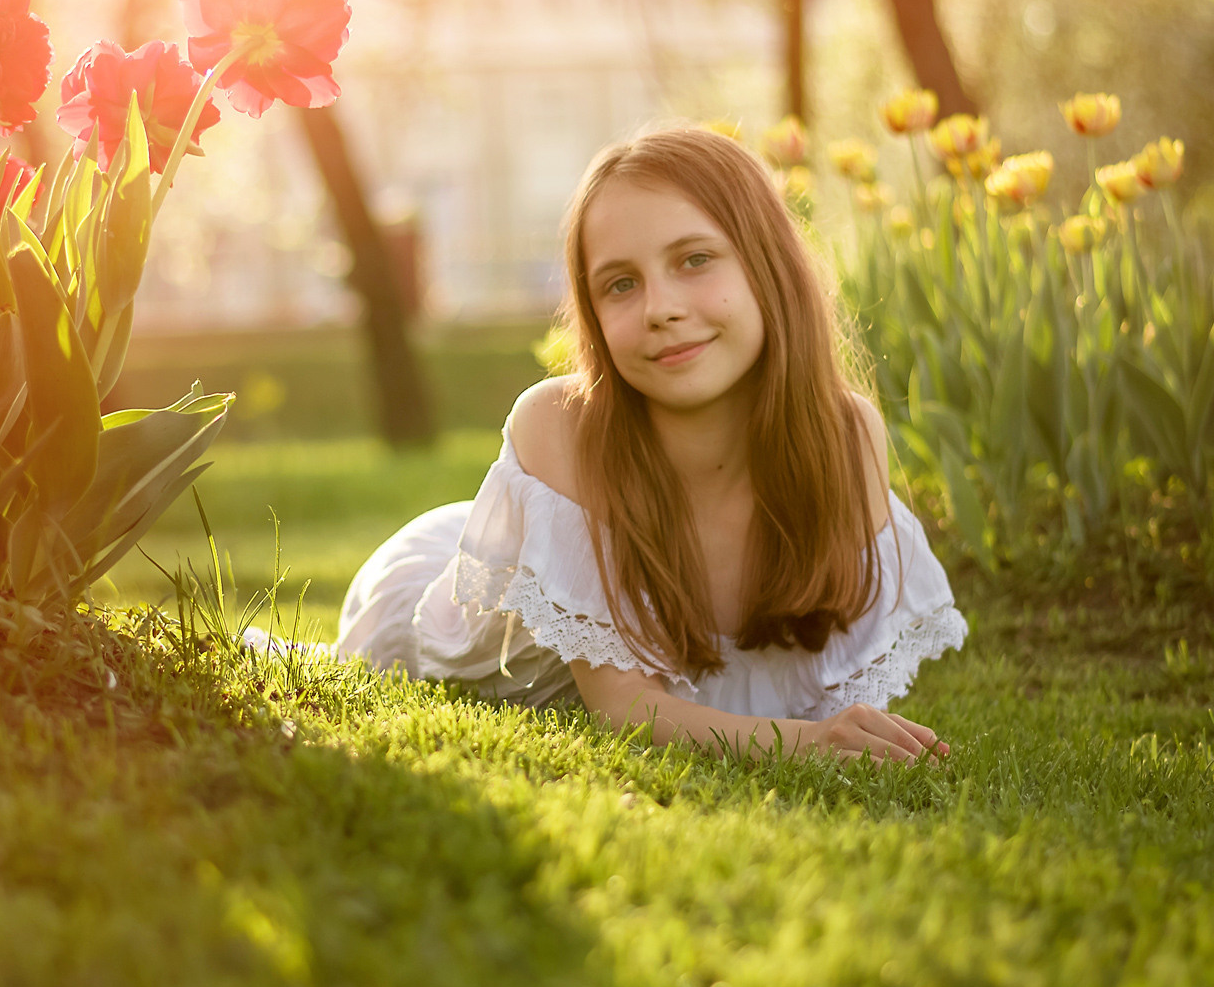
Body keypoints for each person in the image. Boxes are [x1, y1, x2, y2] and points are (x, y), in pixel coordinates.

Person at [334, 126, 966, 764]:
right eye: (620, 285)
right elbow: (624, 706)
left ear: (768, 266)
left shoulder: (847, 437)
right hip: (426, 589)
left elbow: (833, 692)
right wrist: (807, 745)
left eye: (695, 260)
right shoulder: (558, 426)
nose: (660, 308)